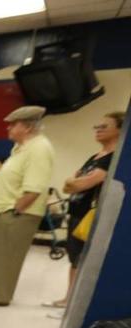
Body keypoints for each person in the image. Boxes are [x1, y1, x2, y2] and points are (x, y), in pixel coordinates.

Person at [0, 106, 55, 306]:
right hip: (4, 211)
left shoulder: (39, 148)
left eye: (12, 124)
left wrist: (15, 210)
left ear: (26, 127)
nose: (8, 127)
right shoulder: (22, 148)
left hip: (15, 213)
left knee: (5, 256)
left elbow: (34, 189)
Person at [45, 111, 123, 311]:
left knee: (83, 260)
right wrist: (74, 182)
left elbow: (79, 184)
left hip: (91, 217)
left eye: (104, 126)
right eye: (96, 126)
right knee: (74, 259)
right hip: (77, 213)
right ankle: (69, 299)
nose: (98, 130)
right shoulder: (95, 157)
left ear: (119, 130)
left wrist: (75, 182)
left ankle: (76, 304)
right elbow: (68, 185)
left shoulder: (113, 159)